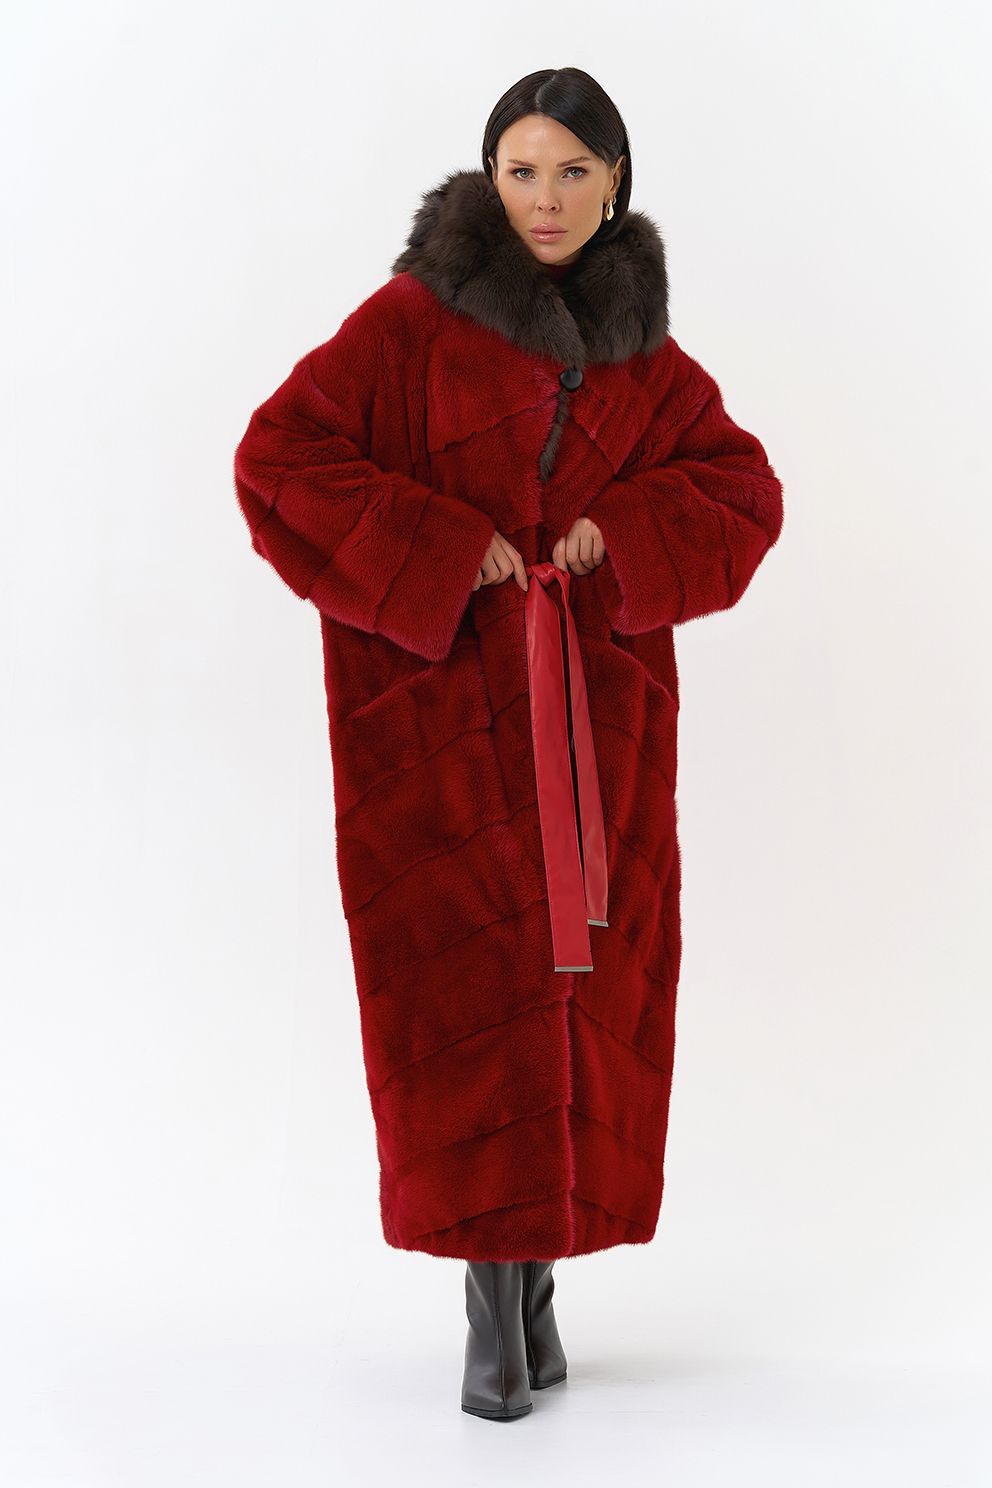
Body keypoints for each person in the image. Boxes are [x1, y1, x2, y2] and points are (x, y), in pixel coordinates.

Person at [234, 66, 783, 1421]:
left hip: (595, 734)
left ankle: (536, 1292)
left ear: (616, 183)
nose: (547, 199)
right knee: (466, 1011)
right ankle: (492, 1311)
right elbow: (279, 458)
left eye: (574, 172)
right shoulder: (410, 323)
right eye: (524, 171)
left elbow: (742, 488)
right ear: (490, 177)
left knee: (584, 1004)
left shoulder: (643, 351)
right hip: (439, 739)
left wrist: (623, 533)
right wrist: (436, 546)